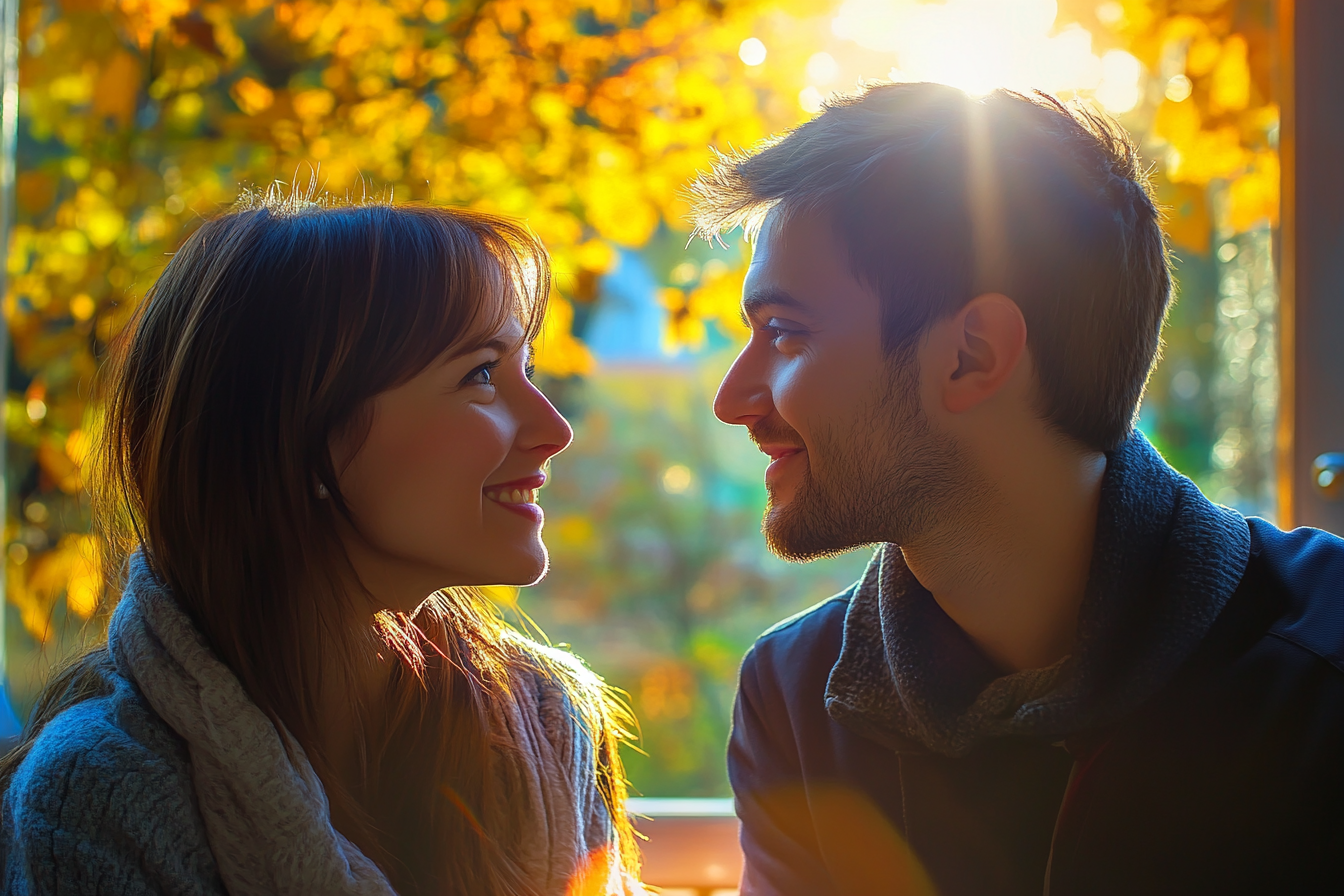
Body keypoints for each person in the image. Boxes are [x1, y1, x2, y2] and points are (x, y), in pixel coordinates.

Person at [690, 82, 1344, 895]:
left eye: (787, 332)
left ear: (973, 355)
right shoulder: (792, 698)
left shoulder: (1328, 660)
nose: (732, 400)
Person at [0, 192, 642, 896]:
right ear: (297, 441)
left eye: (526, 370)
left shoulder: (550, 722)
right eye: (481, 375)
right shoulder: (101, 796)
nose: (554, 429)